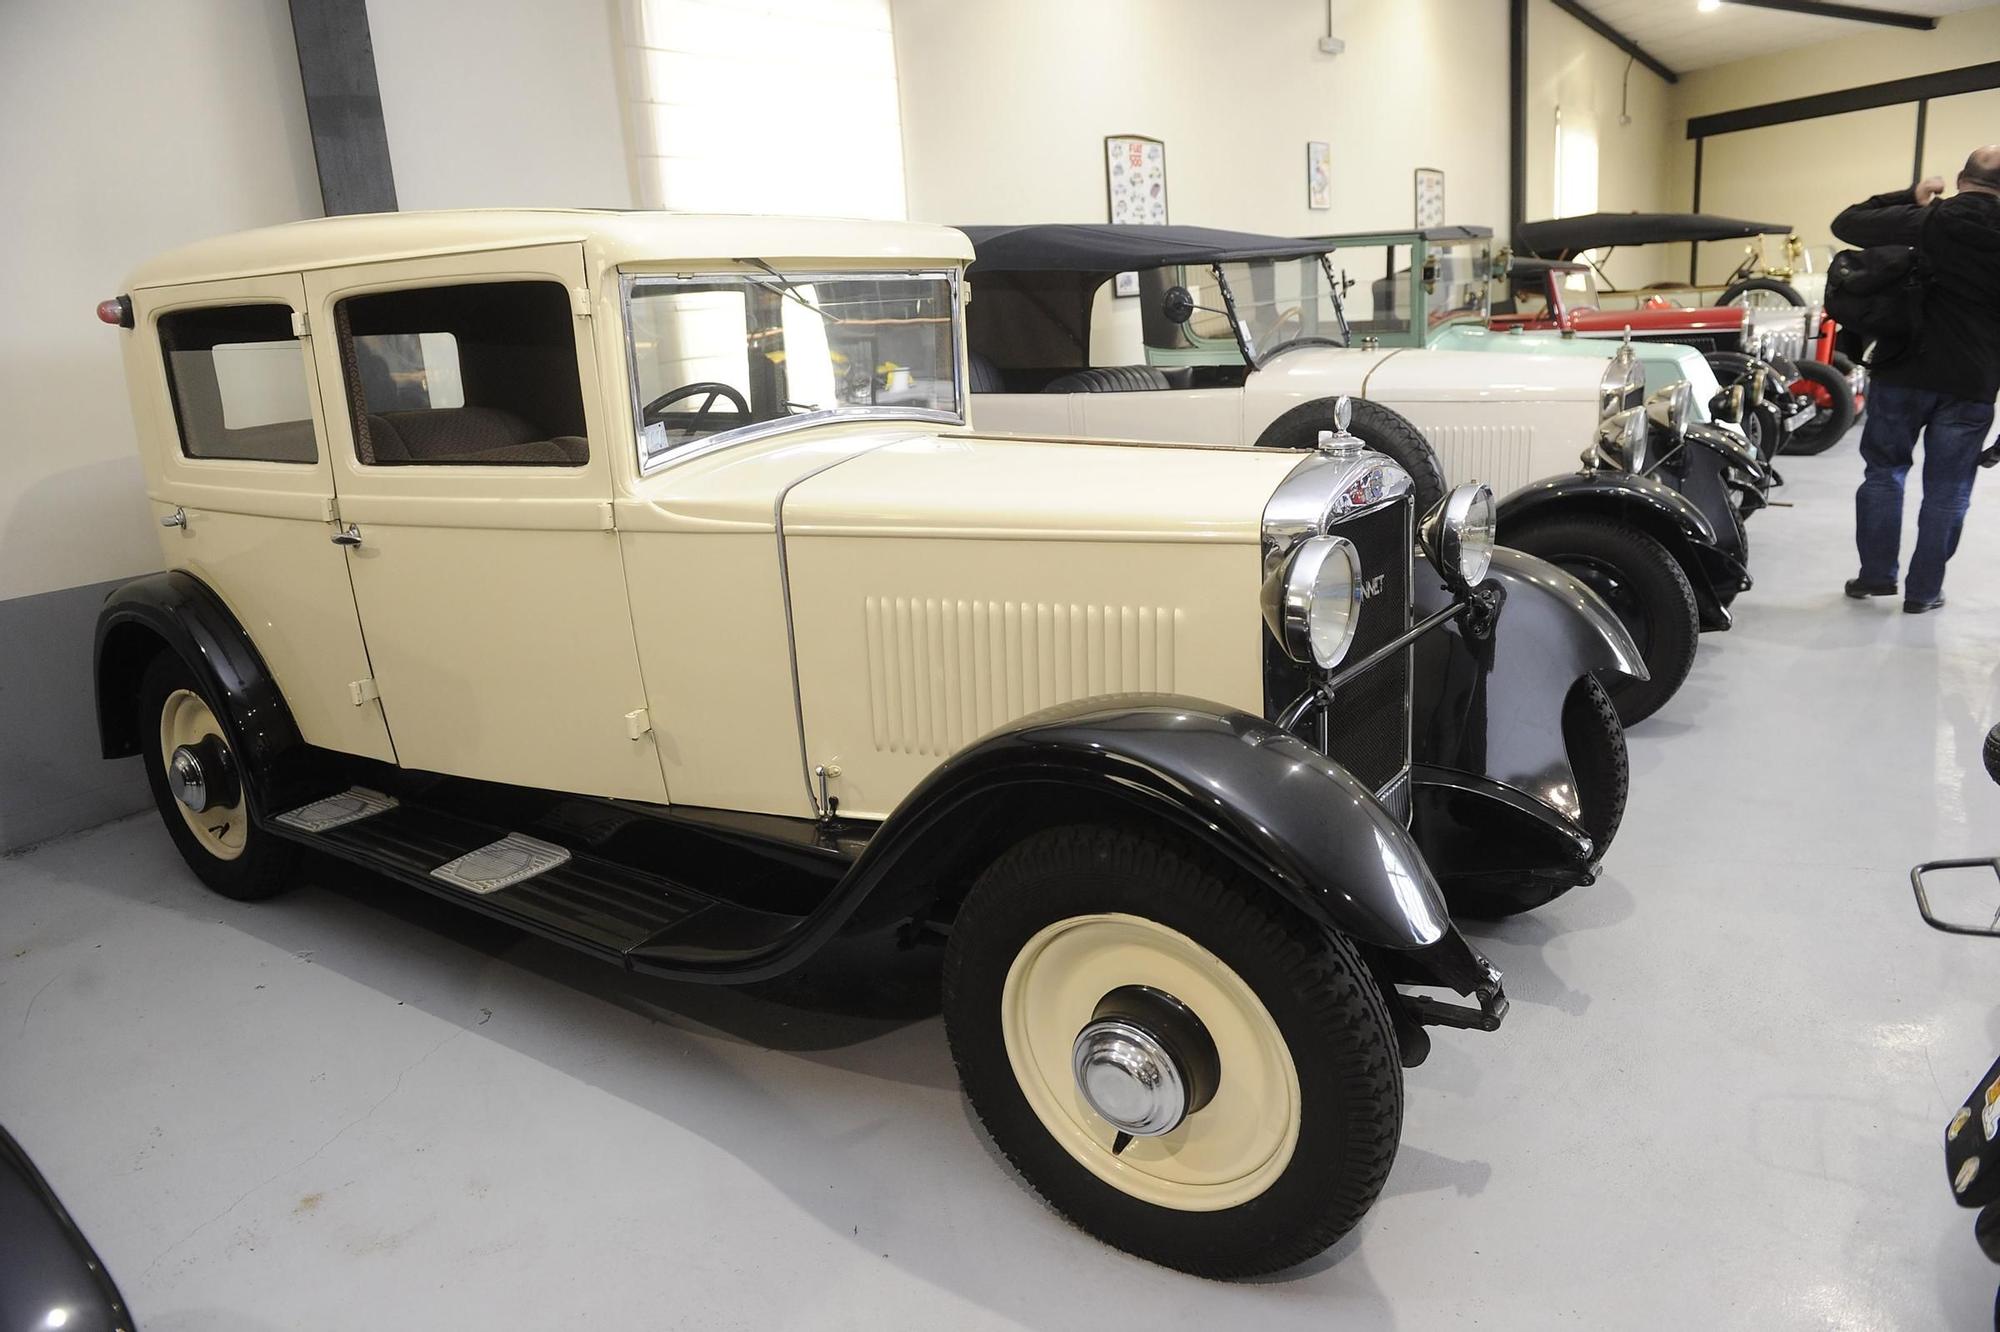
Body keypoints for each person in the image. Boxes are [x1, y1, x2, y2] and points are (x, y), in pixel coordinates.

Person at [1831, 147, 2000, 613]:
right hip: (1973, 382)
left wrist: (1911, 194)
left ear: (1963, 179)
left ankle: (1877, 576)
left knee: (1885, 472)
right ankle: (1924, 592)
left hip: (1905, 369)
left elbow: (1847, 222)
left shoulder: (1928, 219)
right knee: (1949, 489)